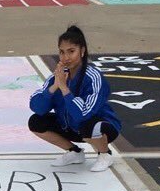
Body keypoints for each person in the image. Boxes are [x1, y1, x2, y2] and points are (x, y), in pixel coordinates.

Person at [28, 25, 121, 173]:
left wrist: (65, 89)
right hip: (70, 126)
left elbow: (83, 114)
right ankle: (74, 152)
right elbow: (37, 107)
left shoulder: (93, 77)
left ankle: (105, 154)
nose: (66, 57)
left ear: (82, 51)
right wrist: (54, 87)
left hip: (100, 127)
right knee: (36, 121)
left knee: (88, 125)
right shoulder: (57, 76)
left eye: (71, 51)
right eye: (62, 52)